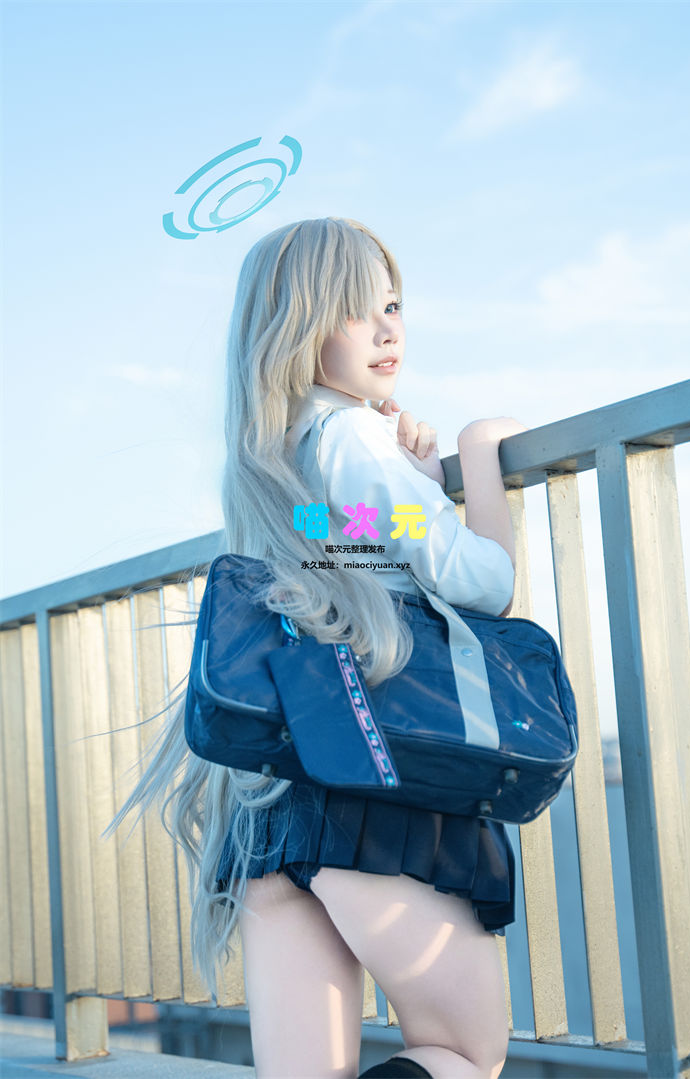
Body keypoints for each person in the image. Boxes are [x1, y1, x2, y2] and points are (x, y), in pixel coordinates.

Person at [110, 217, 525, 1079]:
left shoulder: (274, 459)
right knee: (464, 1054)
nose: (386, 330)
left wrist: (412, 487)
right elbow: (481, 581)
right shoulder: (353, 438)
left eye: (392, 306)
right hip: (373, 797)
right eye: (352, 309)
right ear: (295, 327)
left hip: (277, 812)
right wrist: (479, 454)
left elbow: (348, 550)